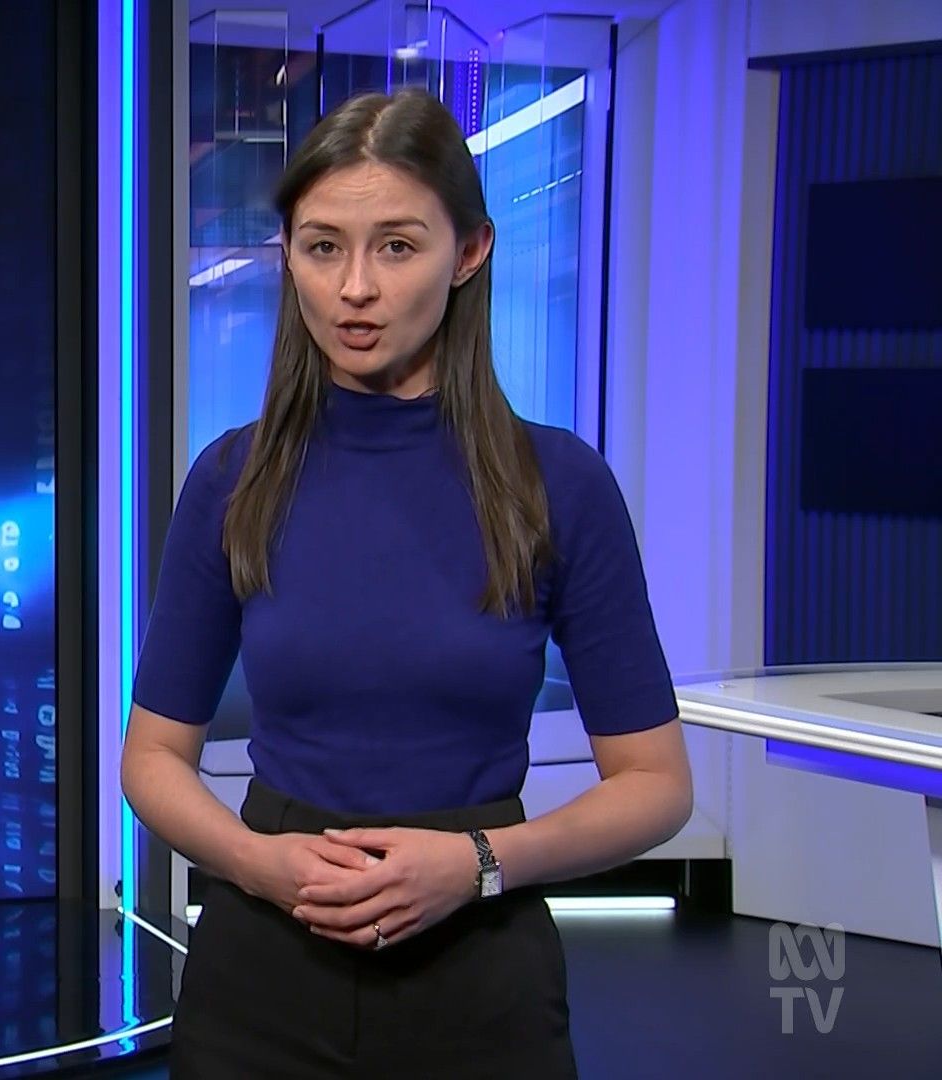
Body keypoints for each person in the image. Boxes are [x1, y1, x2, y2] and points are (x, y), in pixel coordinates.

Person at [122, 88, 695, 1079]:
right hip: (262, 971)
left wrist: (478, 865)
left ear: (469, 251)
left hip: (480, 973)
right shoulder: (233, 479)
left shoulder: (556, 485)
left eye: (396, 246)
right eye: (323, 247)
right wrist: (258, 865)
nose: (355, 288)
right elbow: (152, 758)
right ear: (288, 255)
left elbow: (656, 785)